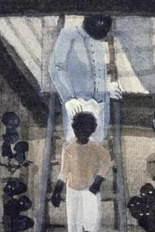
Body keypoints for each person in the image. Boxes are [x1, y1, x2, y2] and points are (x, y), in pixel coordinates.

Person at [51, 112, 112, 232]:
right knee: (73, 221)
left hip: (90, 187)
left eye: (85, 131)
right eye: (78, 130)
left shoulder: (94, 146)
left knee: (91, 214)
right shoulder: (69, 147)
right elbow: (64, 171)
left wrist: (98, 180)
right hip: (73, 188)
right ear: (74, 129)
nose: (82, 134)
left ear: (91, 131)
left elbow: (107, 161)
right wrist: (57, 190)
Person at [49, 15, 123, 143]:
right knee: (75, 147)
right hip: (77, 104)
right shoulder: (68, 35)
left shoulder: (99, 41)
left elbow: (97, 72)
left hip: (100, 106)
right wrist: (68, 98)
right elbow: (56, 67)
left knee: (97, 148)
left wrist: (107, 89)